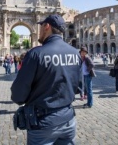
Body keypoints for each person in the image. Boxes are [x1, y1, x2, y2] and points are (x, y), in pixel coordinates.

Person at [11, 14, 81, 145]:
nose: (39, 31)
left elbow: (18, 93)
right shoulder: (75, 53)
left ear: (47, 26)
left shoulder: (36, 54)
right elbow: (79, 86)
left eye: (41, 26)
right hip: (68, 119)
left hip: (43, 122)